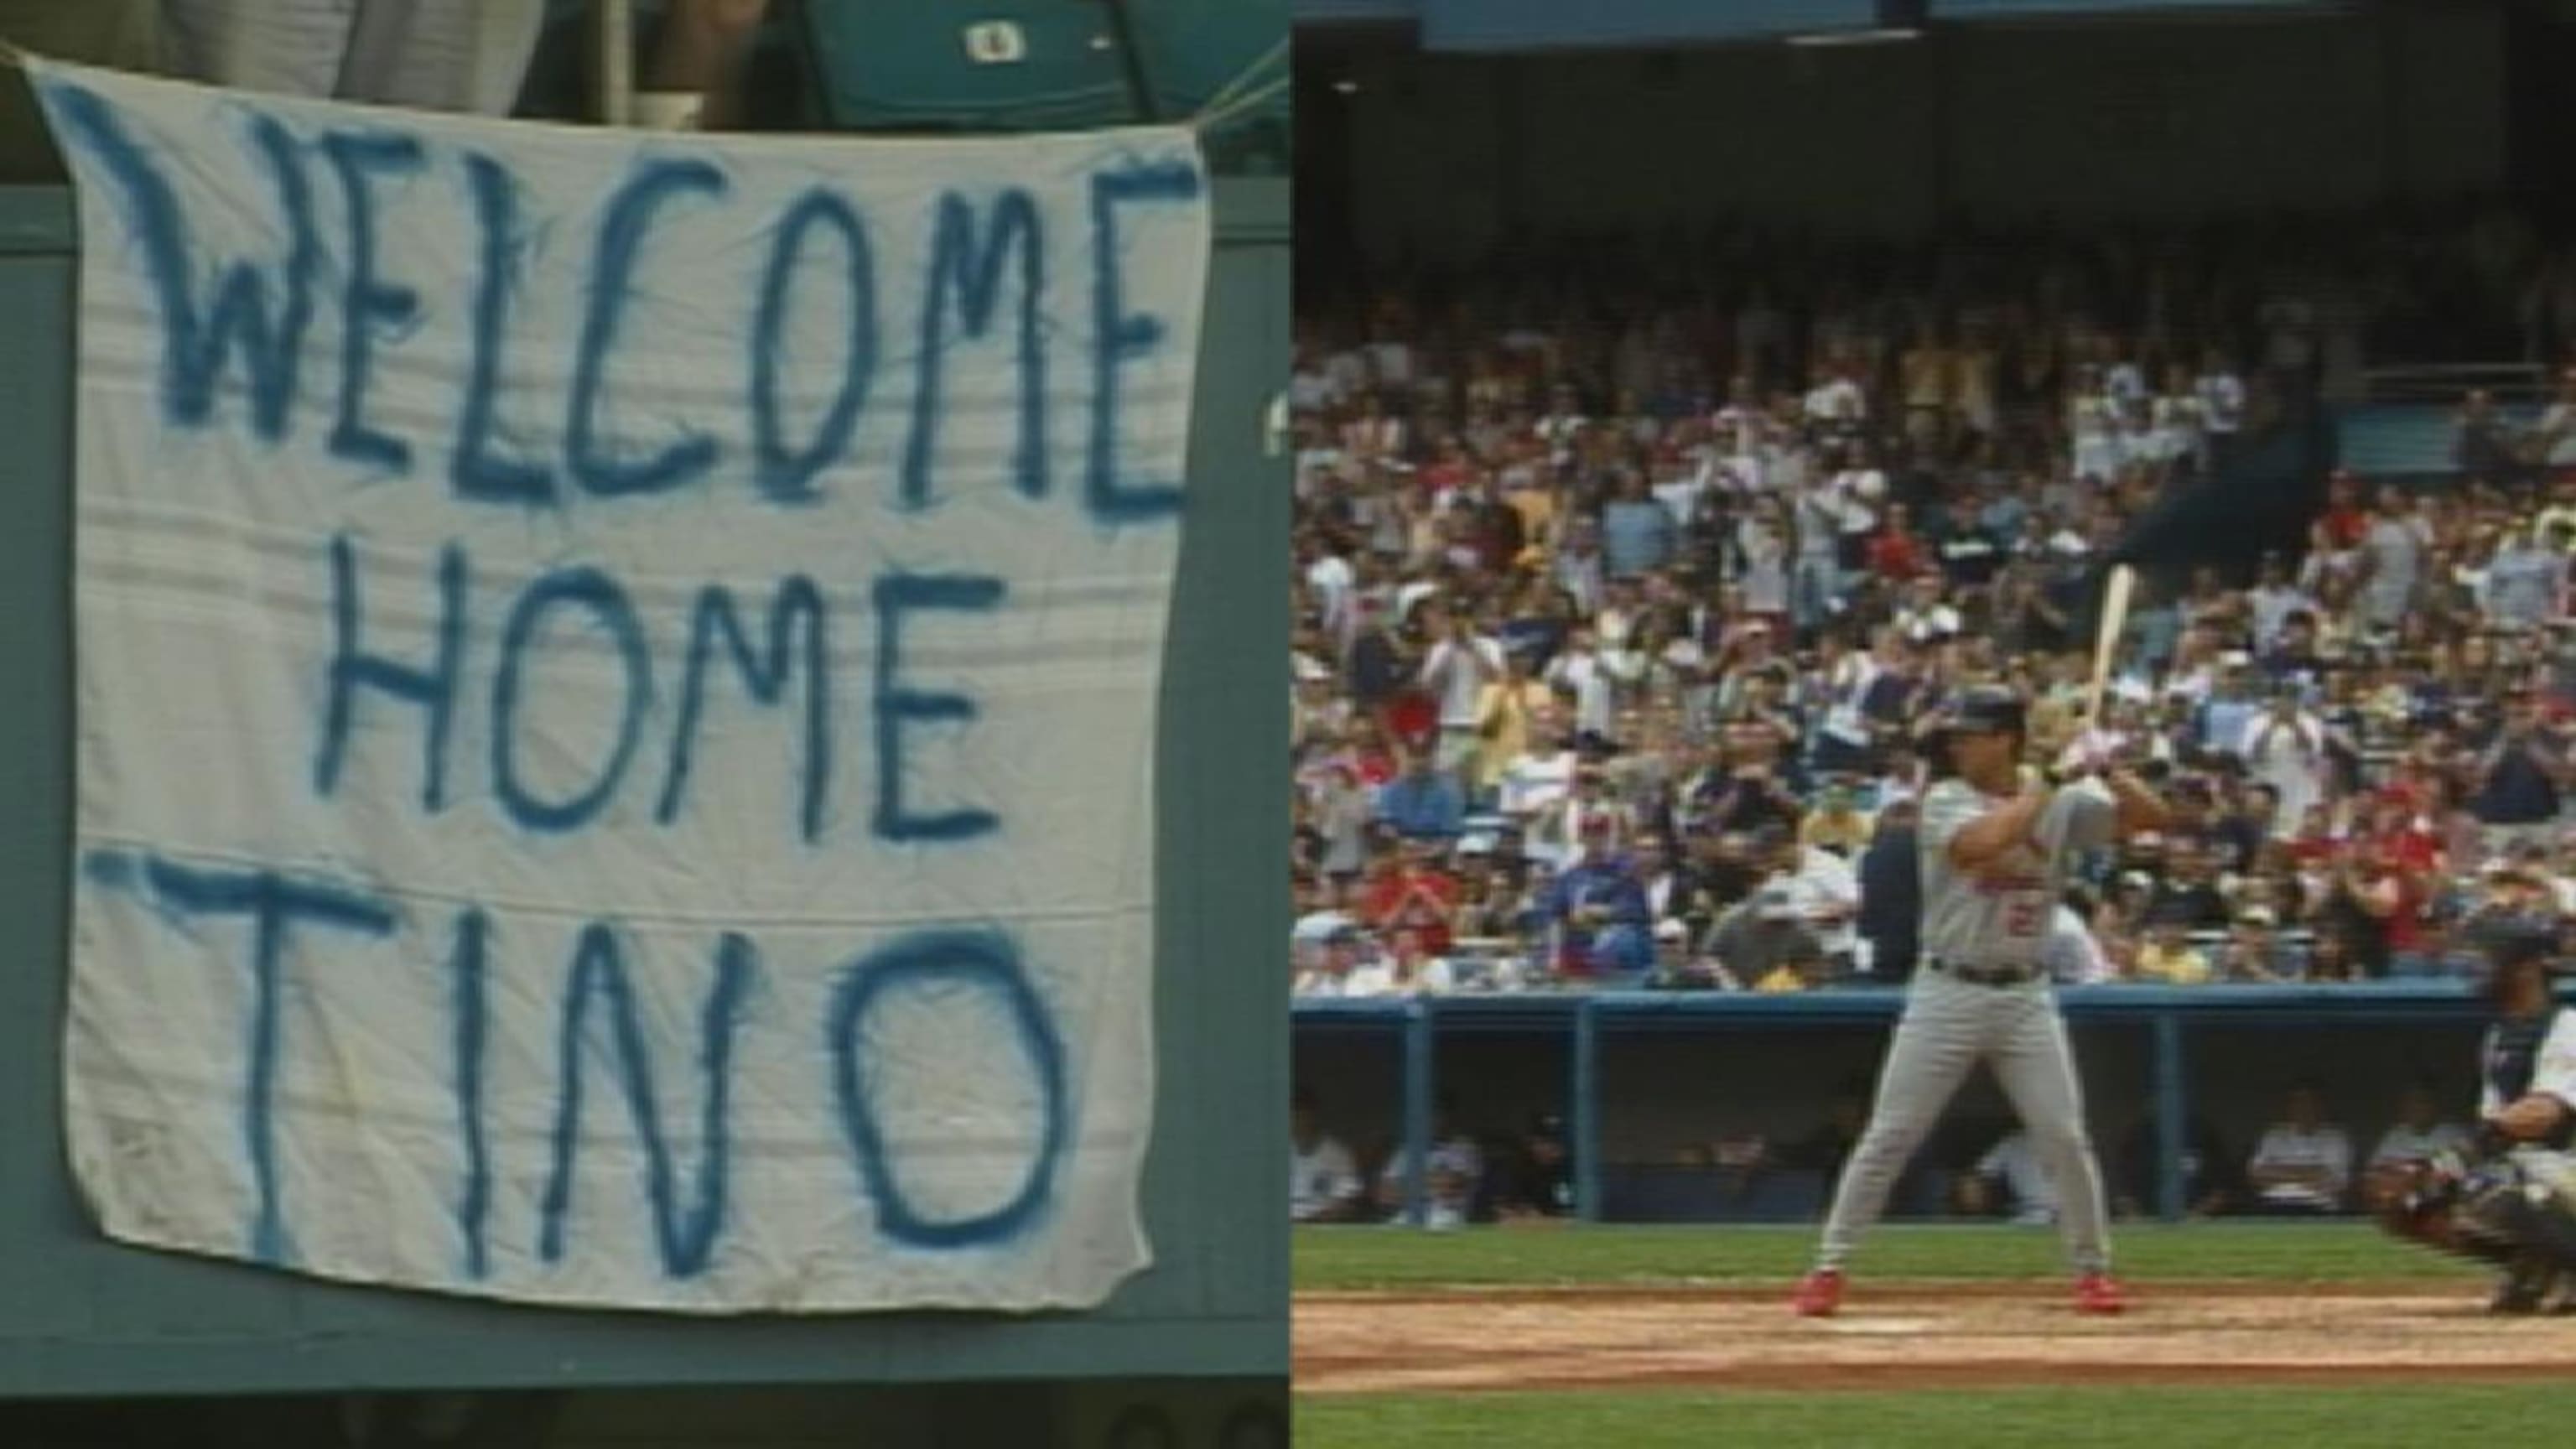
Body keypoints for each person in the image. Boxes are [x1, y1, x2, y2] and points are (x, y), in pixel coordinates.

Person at [1793, 686, 2169, 1317]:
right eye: (1957, 738)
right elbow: (1983, 845)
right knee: (1891, 1133)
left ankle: (2093, 1270)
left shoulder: (2058, 796)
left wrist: (2109, 768)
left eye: (1972, 735)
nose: (1959, 746)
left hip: (2024, 991)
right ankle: (1829, 1267)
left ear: (2006, 739)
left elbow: (2152, 820)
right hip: (1946, 989)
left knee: (2063, 1134)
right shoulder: (1946, 799)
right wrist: (2054, 778)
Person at [2368, 916, 2576, 1311]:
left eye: (2488, 957)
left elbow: (2543, 1114)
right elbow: (2496, 1128)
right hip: (2542, 1175)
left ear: (2528, 967)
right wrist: (2439, 1171)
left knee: (2489, 1187)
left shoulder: (2569, 1027)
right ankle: (2538, 1267)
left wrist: (2460, 1159)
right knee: (2404, 1198)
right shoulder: (2499, 1037)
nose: (2476, 966)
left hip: (2567, 1167)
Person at [2244, 1082, 2355, 1214]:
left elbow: (2335, 1182)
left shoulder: (2336, 1138)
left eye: (2310, 1102)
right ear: (2289, 1106)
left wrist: (2276, 1171)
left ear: (2320, 1106)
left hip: (2319, 1208)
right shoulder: (2273, 1135)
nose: (2304, 1108)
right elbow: (2256, 1176)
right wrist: (2311, 1173)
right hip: (2274, 1205)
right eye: (2298, 1102)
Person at [1291, 1089, 1365, 1223]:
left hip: (1321, 1223)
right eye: (1295, 1115)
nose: (1300, 1121)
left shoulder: (1338, 1153)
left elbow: (1349, 1198)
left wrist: (1331, 1213)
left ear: (1314, 1116)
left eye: (1304, 1115)